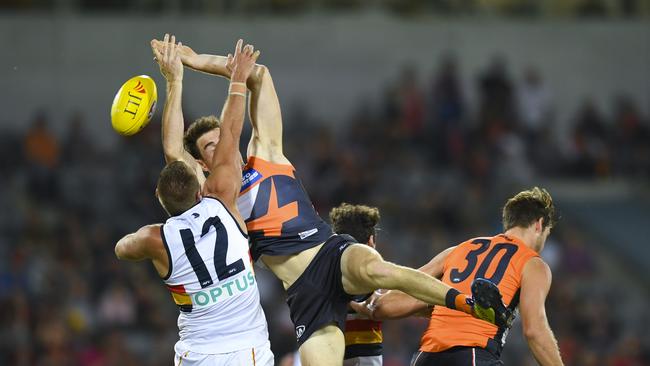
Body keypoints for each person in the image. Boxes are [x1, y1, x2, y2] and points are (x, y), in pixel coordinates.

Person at [151, 37, 509, 366]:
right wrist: (174, 81)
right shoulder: (213, 199)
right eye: (211, 147)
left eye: (222, 137)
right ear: (200, 164)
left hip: (330, 253)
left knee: (376, 269)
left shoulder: (266, 153)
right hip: (305, 294)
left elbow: (258, 74)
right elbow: (172, 150)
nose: (224, 145)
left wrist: (194, 60)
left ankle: (469, 303)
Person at [114, 38, 274, 366]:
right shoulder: (222, 191)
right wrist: (235, 80)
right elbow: (225, 133)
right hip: (246, 347)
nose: (221, 147)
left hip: (200, 353)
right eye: (208, 147)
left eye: (218, 144)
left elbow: (123, 247)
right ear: (199, 171)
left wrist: (178, 78)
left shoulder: (161, 233)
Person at [354, 187, 564, 366]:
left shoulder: (458, 250)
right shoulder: (533, 264)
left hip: (426, 357)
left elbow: (404, 295)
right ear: (539, 224)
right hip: (473, 354)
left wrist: (364, 304)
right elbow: (534, 331)